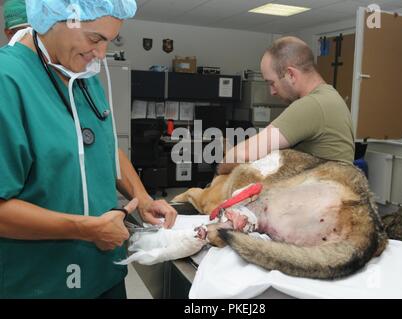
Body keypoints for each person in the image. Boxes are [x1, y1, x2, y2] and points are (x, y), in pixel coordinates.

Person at [0, 0, 177, 299]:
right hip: (42, 283)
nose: (100, 54)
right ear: (56, 17)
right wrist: (85, 229)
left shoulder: (82, 74)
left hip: (105, 272)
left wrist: (141, 196)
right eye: (95, 38)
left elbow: (103, 145)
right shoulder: (8, 80)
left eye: (108, 41)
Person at [221, 36, 354, 171]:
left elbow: (244, 155)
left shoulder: (311, 105)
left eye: (272, 83)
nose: (272, 92)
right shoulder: (330, 96)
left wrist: (218, 173)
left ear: (290, 74)